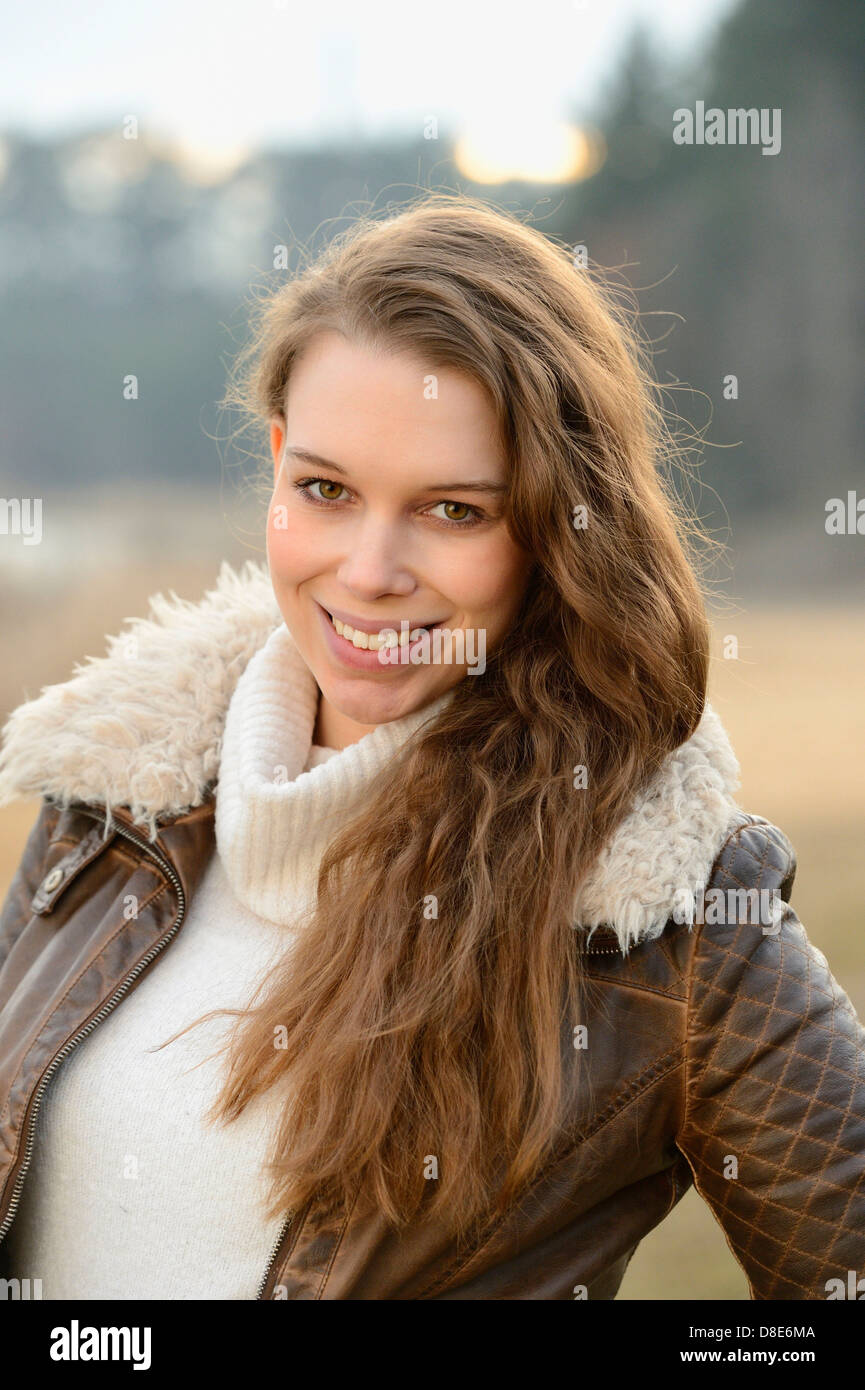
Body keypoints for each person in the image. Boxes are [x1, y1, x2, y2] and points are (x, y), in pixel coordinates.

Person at [0, 195, 863, 1302]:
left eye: (453, 510)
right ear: (273, 465)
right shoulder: (110, 801)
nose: (368, 568)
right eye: (325, 489)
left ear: (559, 525)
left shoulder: (664, 914)